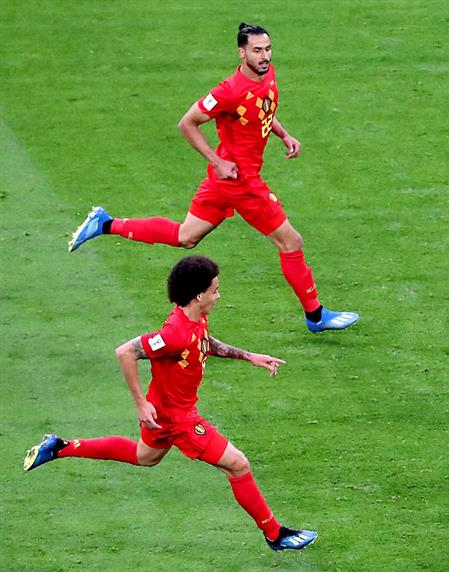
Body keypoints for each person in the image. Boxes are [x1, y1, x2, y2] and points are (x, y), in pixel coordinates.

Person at [67, 22, 358, 334]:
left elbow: (264, 110)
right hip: (240, 181)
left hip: (225, 182)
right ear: (241, 52)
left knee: (185, 236)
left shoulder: (267, 75)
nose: (264, 56)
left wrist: (283, 134)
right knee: (291, 241)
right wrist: (217, 161)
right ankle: (316, 316)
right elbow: (187, 123)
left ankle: (105, 223)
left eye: (268, 49)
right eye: (257, 50)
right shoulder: (228, 91)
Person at [24, 255, 317, 552]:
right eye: (215, 290)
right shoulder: (174, 334)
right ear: (198, 295)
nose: (218, 295)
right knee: (238, 465)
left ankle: (60, 447)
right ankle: (275, 534)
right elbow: (125, 352)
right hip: (178, 419)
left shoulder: (192, 318)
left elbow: (203, 341)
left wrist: (248, 356)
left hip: (165, 410)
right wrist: (140, 404)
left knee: (145, 456)